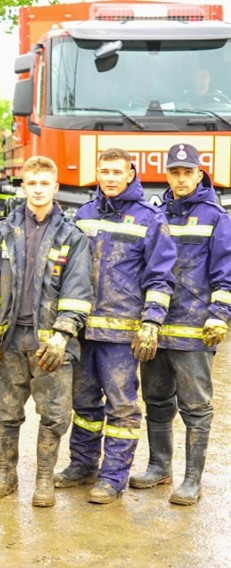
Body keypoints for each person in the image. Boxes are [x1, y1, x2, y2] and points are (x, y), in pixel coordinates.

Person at [55, 148, 177, 504]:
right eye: (104, 171)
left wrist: (151, 322)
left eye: (116, 172)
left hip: (122, 334)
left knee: (122, 407)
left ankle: (113, 478)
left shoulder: (149, 219)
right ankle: (82, 465)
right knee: (85, 403)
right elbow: (65, 269)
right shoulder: (84, 215)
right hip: (83, 330)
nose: (109, 177)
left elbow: (160, 277)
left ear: (129, 175)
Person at [0, 156, 92, 507]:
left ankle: (43, 482)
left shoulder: (72, 236)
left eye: (44, 184)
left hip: (49, 344)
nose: (38, 190)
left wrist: (62, 334)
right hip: (10, 341)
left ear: (55, 188)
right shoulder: (4, 232)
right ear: (23, 187)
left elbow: (78, 291)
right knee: (7, 413)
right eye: (32, 183)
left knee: (54, 415)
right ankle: (5, 476)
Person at [129, 144, 231, 505]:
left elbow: (225, 273)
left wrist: (219, 315)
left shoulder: (216, 217)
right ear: (167, 175)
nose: (181, 178)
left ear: (199, 175)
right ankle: (160, 467)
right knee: (156, 399)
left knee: (196, 407)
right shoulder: (155, 214)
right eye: (175, 172)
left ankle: (192, 480)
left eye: (188, 172)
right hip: (155, 325)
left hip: (194, 329)